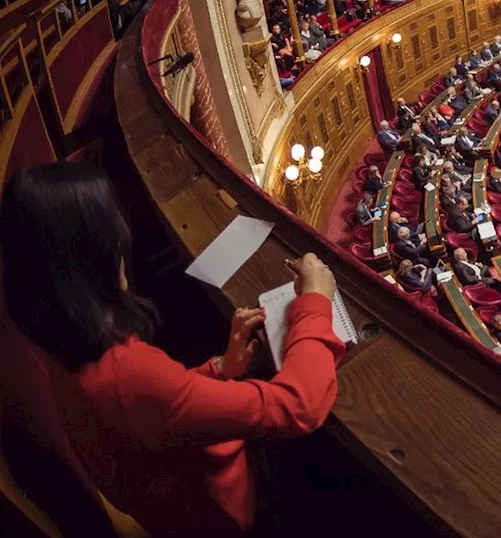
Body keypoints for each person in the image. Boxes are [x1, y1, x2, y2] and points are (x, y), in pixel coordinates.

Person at [0, 163, 345, 536]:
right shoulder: (129, 374)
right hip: (223, 516)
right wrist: (314, 301)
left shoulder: (64, 345)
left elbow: (158, 413)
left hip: (174, 504)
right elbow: (300, 407)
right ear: (93, 257)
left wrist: (219, 369)